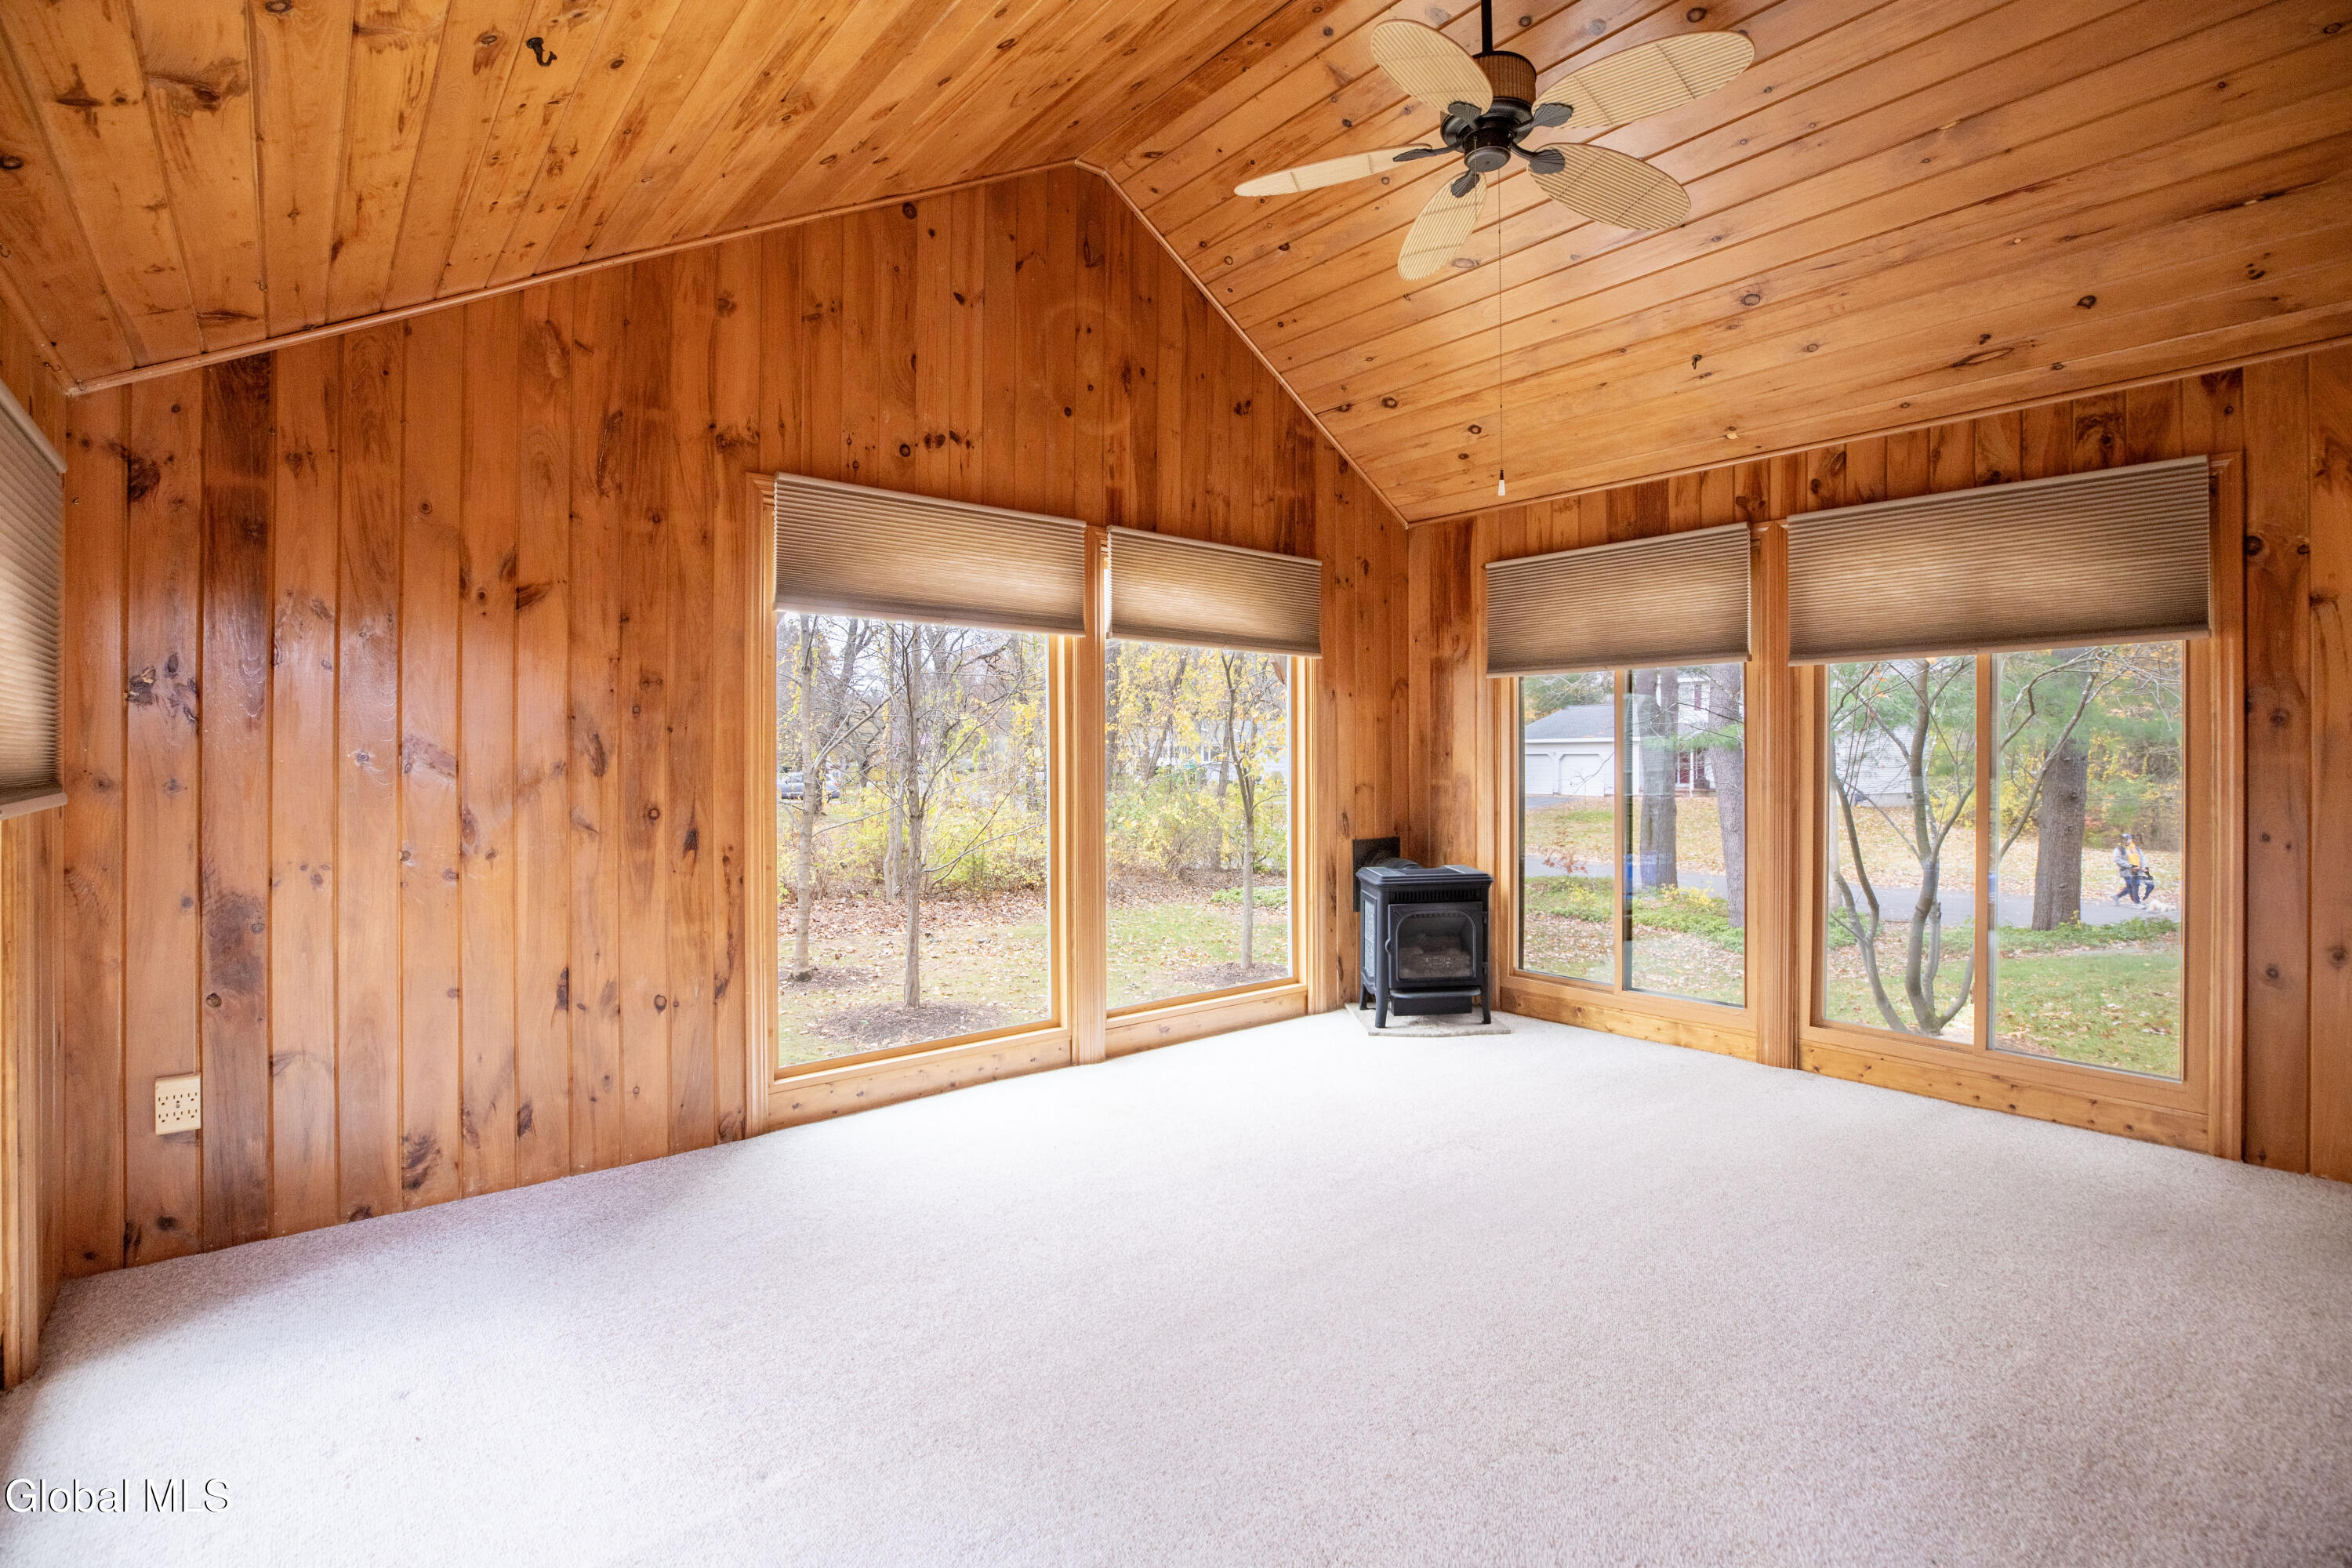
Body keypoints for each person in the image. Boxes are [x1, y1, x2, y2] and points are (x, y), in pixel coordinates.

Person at [2114, 833, 2154, 906]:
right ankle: (2137, 903)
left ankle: (2117, 896)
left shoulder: (2136, 849)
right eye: (2123, 839)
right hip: (2126, 871)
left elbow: (2142, 858)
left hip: (2137, 871)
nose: (2125, 841)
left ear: (2131, 840)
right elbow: (2117, 860)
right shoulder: (2119, 849)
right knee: (2131, 886)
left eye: (2127, 839)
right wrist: (2131, 866)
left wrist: (2144, 867)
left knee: (2134, 886)